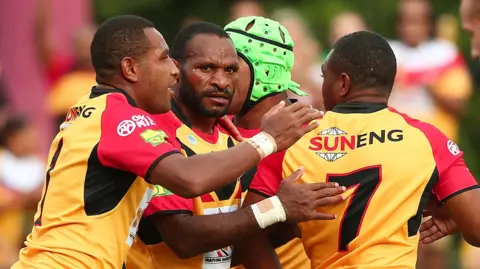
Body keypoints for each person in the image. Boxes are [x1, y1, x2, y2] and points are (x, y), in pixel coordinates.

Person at [10, 15, 326, 269]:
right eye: (164, 59)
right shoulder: (120, 117)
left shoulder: (102, 110)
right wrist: (269, 143)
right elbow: (188, 181)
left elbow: (226, 251)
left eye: (231, 69)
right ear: (130, 69)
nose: (173, 71)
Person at [234, 31, 480, 269]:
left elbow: (247, 234)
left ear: (342, 83)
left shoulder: (292, 138)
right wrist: (455, 218)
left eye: (324, 76)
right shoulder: (428, 139)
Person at [126, 21, 344, 269]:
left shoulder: (232, 136)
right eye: (206, 68)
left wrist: (287, 221)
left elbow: (228, 251)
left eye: (231, 70)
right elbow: (184, 239)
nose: (221, 81)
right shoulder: (151, 131)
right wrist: (278, 209)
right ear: (176, 70)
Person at [225, 16, 313, 269]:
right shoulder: (211, 126)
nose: (219, 79)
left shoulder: (312, 135)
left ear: (265, 71)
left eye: (230, 68)